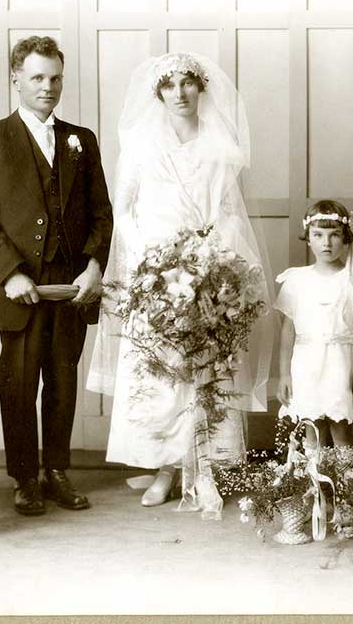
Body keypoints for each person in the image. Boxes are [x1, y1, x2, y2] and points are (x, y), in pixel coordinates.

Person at [87, 52, 273, 518]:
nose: (180, 93)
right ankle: (164, 467)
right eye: (170, 86)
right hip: (156, 271)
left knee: (205, 366)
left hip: (208, 269)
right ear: (158, 94)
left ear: (200, 89)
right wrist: (151, 260)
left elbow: (230, 210)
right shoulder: (140, 143)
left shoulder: (219, 145)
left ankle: (204, 466)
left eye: (188, 84)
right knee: (161, 369)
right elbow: (124, 208)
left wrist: (213, 262)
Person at [0, 36, 113, 517]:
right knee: (21, 382)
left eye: (55, 78)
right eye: (37, 78)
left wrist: (93, 266)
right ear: (16, 79)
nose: (48, 87)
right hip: (20, 287)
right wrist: (9, 273)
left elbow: (101, 213)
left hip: (69, 286)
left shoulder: (80, 140)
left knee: (63, 381)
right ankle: (25, 477)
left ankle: (56, 471)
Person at [274, 199, 353, 451]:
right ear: (308, 238)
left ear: (345, 238)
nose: (326, 243)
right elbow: (287, 330)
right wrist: (283, 373)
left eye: (334, 235)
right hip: (307, 361)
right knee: (311, 428)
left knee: (341, 426)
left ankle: (342, 487)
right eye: (318, 235)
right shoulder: (296, 280)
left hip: (343, 363)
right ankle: (316, 488)